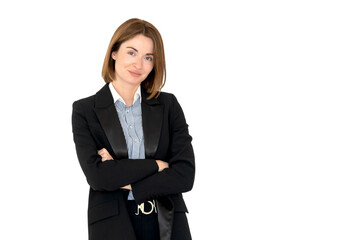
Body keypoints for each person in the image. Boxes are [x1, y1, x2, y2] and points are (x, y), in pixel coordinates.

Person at [72, 18, 195, 240]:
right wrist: (157, 165)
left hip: (168, 221)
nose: (139, 64)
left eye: (148, 57)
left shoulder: (168, 105)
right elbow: (99, 178)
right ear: (114, 53)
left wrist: (123, 177)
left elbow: (185, 176)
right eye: (131, 52)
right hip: (113, 223)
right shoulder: (85, 110)